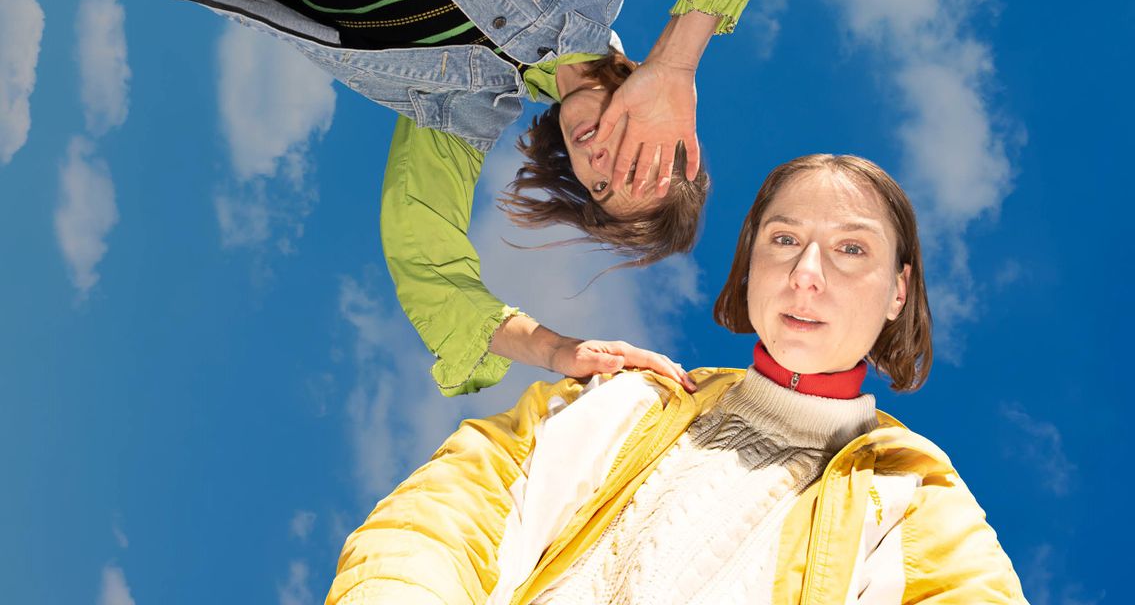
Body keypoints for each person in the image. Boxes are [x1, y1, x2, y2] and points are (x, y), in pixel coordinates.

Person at [1, 0, 815, 394]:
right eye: (640, 161)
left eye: (601, 184)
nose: (605, 158)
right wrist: (678, 60)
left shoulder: (458, 111)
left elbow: (429, 271)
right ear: (677, 130)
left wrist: (560, 353)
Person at [324, 154, 1029, 605]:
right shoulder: (629, 398)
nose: (806, 273)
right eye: (784, 240)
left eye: (850, 249)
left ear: (898, 291)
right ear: (749, 264)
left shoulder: (911, 493)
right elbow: (442, 516)